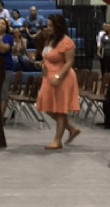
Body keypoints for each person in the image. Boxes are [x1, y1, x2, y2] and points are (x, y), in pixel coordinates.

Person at [35, 14, 81, 150]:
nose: (48, 28)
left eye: (50, 25)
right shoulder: (51, 40)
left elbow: (69, 62)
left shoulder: (67, 42)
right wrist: (41, 63)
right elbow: (48, 57)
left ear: (58, 26)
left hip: (62, 78)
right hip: (48, 77)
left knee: (60, 110)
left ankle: (57, 140)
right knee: (48, 107)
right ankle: (71, 129)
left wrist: (59, 77)